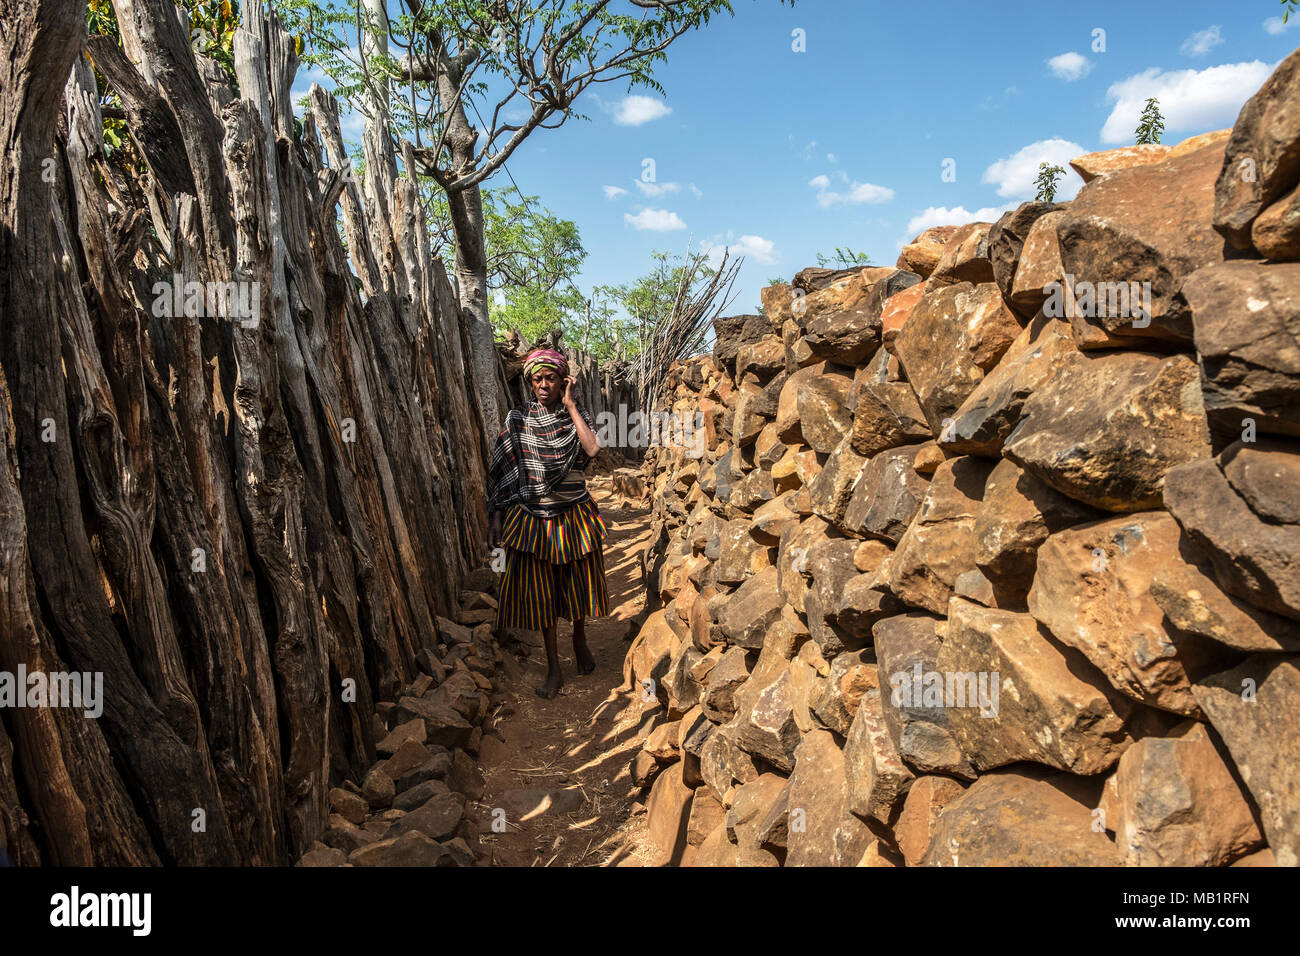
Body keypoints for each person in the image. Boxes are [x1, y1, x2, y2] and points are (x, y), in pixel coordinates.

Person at [487, 348, 609, 698]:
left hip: (573, 513)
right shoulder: (518, 419)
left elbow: (592, 449)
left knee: (577, 581)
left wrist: (571, 406)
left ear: (563, 381)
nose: (544, 384)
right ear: (529, 382)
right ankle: (554, 667)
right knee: (542, 592)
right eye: (537, 379)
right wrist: (496, 515)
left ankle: (580, 636)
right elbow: (502, 472)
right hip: (534, 519)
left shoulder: (575, 415)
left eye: (551, 378)